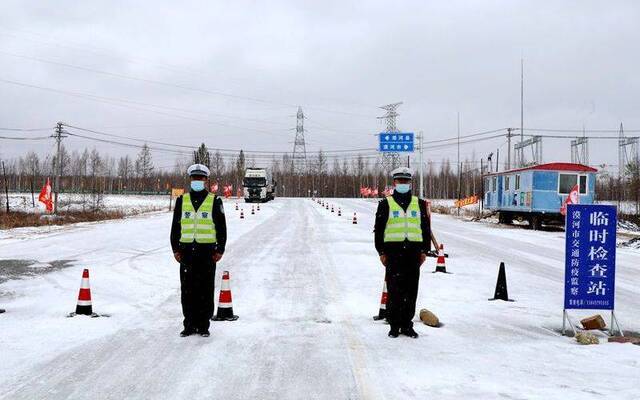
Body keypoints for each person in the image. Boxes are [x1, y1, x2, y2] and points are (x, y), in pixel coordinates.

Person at [170, 164, 227, 337]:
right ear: (190, 179)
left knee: (205, 289)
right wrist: (175, 249)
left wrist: (220, 249)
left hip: (206, 252)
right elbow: (175, 227)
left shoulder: (215, 201)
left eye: (201, 178)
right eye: (194, 178)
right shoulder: (182, 200)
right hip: (187, 252)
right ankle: (189, 324)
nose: (197, 181)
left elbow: (221, 227)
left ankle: (203, 325)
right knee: (187, 290)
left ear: (206, 180)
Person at [374, 167, 431, 338]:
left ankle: (407, 324)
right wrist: (381, 252)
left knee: (411, 290)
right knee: (394, 289)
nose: (403, 184)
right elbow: (379, 230)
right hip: (393, 253)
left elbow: (425, 228)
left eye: (406, 181)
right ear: (394, 183)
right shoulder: (385, 204)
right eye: (400, 181)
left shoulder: (419, 203)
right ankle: (394, 324)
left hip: (413, 253)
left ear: (410, 182)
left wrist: (424, 251)